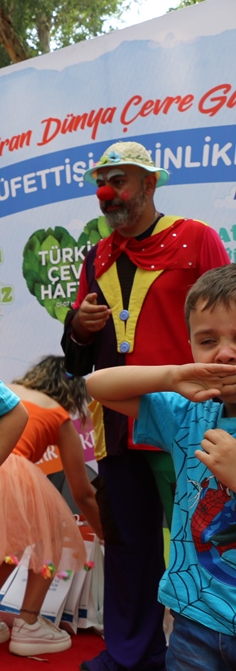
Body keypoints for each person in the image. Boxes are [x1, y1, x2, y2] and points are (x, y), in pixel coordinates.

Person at [61, 140, 229, 671]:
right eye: (102, 182)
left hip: (191, 416)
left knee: (207, 528)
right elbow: (79, 355)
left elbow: (225, 307)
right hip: (122, 417)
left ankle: (202, 638)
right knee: (129, 541)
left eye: (121, 180)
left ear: (150, 184)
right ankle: (133, 652)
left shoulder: (196, 238)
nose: (108, 193)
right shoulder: (98, 255)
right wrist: (78, 326)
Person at [85, 263, 236, 670]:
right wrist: (171, 376)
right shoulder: (188, 414)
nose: (225, 352)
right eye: (208, 341)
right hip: (193, 620)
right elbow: (96, 386)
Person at [0, 356, 103, 656]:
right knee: (52, 529)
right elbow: (82, 492)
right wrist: (105, 532)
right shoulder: (57, 414)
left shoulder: (1, 389)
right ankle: (29, 623)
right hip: (8, 467)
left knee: (6, 543)